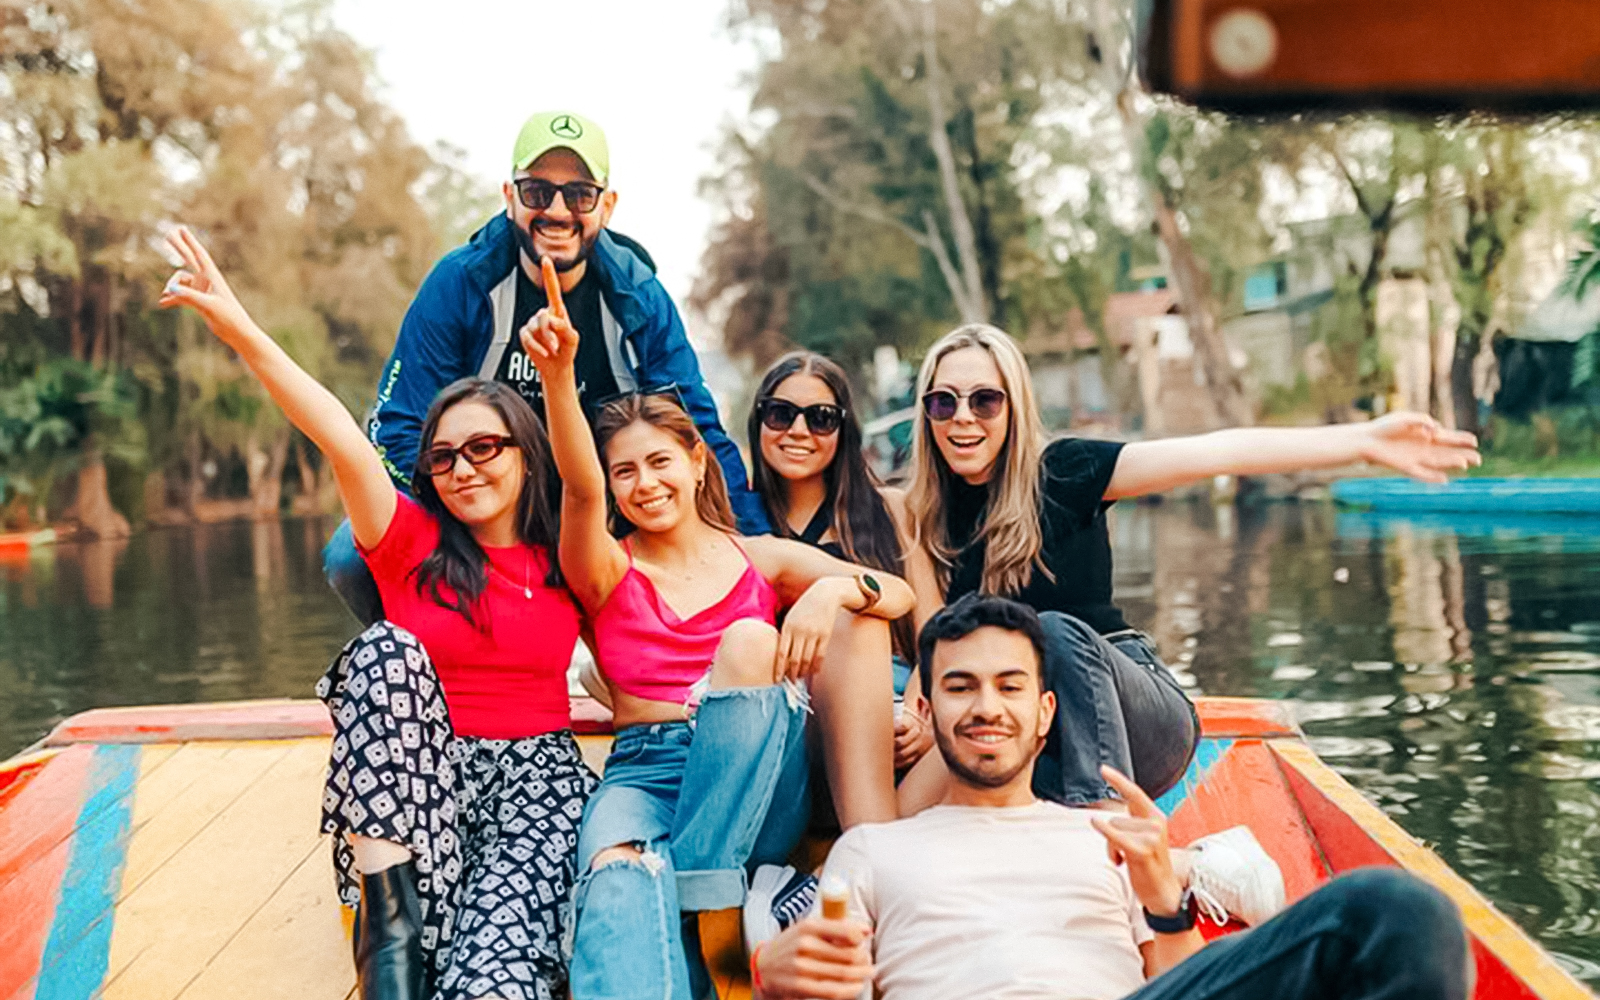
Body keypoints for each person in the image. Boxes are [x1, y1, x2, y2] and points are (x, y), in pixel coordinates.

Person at [159, 228, 595, 1000]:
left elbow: (594, 494)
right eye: (444, 456)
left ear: (526, 454)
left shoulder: (566, 557)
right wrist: (240, 328)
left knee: (488, 984)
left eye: (486, 447)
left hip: (535, 790)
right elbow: (334, 431)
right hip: (418, 792)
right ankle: (389, 958)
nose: (463, 467)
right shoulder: (411, 544)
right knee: (385, 651)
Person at [754, 593, 1473, 1000]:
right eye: (960, 687)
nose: (985, 707)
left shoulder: (1103, 838)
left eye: (1009, 686)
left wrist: (1166, 898)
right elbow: (831, 978)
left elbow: (1187, 981)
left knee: (1399, 911)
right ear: (931, 711)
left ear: (1044, 713)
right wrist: (773, 980)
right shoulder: (874, 849)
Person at [896, 323, 1481, 821]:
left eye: (984, 400)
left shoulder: (1065, 471)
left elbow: (1220, 451)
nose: (963, 419)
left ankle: (1107, 830)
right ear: (927, 413)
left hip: (1138, 722)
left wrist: (1362, 441)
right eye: (944, 402)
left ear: (1013, 406)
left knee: (1048, 631)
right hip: (1029, 735)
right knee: (905, 758)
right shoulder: (925, 515)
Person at [519, 266, 914, 998]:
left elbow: (897, 593)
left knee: (750, 644)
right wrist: (558, 377)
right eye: (625, 471)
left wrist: (829, 588)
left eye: (660, 461)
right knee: (616, 880)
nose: (645, 483)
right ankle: (713, 915)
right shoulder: (605, 570)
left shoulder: (756, 558)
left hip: (759, 781)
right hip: (647, 774)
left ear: (697, 460)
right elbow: (576, 486)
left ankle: (706, 897)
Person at [326, 110, 768, 625]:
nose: (557, 211)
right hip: (484, 498)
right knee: (347, 558)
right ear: (510, 197)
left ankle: (661, 657)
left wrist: (751, 542)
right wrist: (470, 518)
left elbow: (696, 430)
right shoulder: (460, 283)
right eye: (537, 192)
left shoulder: (639, 296)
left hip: (602, 503)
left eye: (578, 194)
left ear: (606, 205)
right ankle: (421, 665)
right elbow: (395, 428)